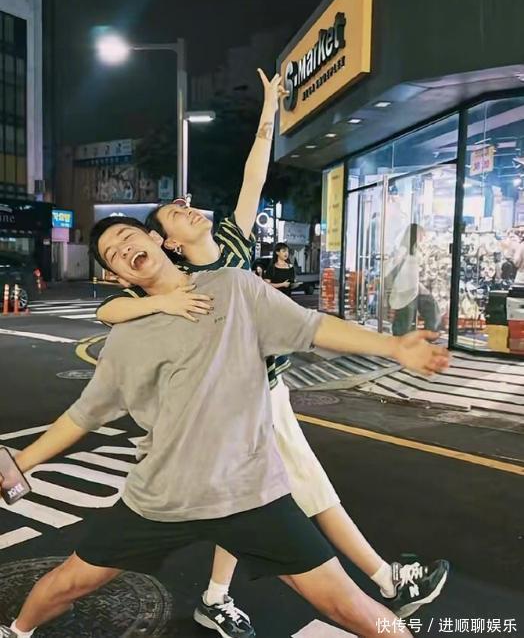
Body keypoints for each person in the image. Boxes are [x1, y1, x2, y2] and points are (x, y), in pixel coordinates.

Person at [96, 77, 449, 635]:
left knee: (254, 496)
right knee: (303, 487)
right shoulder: (177, 280)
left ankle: (220, 596)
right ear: (167, 242)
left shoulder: (234, 243)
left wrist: (269, 113)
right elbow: (109, 311)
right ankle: (386, 581)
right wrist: (159, 304)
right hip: (242, 400)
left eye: (186, 204)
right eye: (175, 211)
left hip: (269, 389)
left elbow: (253, 175)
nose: (188, 207)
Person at [0, 216, 451, 638]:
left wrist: (392, 346)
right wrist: (20, 462)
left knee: (348, 606)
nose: (123, 249)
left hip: (249, 493)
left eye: (127, 237)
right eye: (112, 254)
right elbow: (84, 413)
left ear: (155, 240)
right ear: (118, 277)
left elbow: (312, 327)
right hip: (161, 497)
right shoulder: (126, 338)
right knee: (67, 584)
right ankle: (17, 631)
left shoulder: (234, 287)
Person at [386, 224, 441, 337]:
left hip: (415, 287)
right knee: (405, 319)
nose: (422, 238)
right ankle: (401, 341)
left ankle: (428, 335)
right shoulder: (404, 249)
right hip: (405, 289)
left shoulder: (415, 250)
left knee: (431, 309)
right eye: (421, 234)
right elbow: (394, 266)